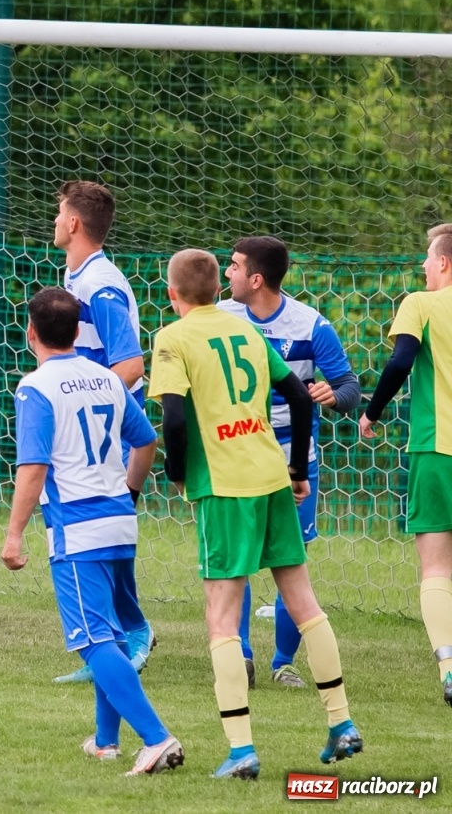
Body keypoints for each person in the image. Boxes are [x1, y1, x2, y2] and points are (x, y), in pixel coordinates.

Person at [146, 248, 362, 779]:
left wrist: (176, 472)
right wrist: (297, 469)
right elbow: (300, 395)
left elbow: (173, 418)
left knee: (221, 616)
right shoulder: (247, 333)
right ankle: (341, 723)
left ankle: (241, 750)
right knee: (305, 602)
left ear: (172, 295)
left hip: (225, 488)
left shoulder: (172, 338)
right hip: (271, 476)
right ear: (220, 289)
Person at [1, 288, 185, 777]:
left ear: (31, 333)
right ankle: (105, 741)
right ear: (80, 331)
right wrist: (128, 490)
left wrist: (14, 533)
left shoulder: (35, 387)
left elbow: (34, 467)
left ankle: (156, 738)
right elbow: (146, 441)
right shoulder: (107, 378)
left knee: (92, 640)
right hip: (120, 521)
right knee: (114, 633)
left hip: (77, 528)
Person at [219, 235, 360, 688]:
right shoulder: (219, 319)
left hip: (293, 461)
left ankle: (283, 662)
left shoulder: (310, 325)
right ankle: (240, 658)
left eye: (235, 266)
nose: (228, 273)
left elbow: (350, 387)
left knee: (290, 562)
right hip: (236, 457)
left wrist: (332, 395)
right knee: (235, 562)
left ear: (256, 279)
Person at [51, 180, 153, 681]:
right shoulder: (75, 276)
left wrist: (81, 402)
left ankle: (131, 630)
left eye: (58, 212)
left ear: (74, 223)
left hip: (100, 428)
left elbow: (131, 365)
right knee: (80, 530)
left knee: (97, 532)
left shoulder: (101, 284)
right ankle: (105, 641)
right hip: (84, 423)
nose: (54, 220)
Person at [359, 222, 452, 708]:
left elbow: (399, 363)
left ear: (443, 262)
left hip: (438, 448)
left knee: (436, 564)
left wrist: (371, 412)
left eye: (427, 260)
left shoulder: (421, 303)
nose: (422, 267)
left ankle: (449, 666)